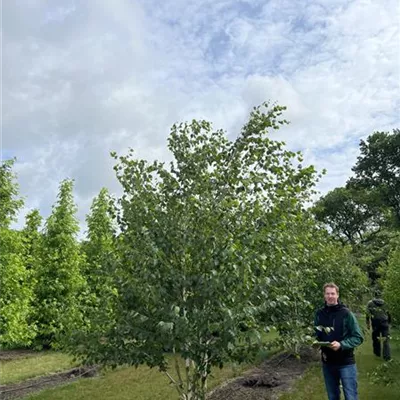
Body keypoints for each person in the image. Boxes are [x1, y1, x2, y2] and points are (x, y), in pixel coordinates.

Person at [314, 282, 364, 400]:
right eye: (327, 294)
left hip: (345, 362)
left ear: (337, 295)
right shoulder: (319, 314)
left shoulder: (346, 314)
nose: (330, 296)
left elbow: (358, 337)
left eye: (332, 293)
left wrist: (342, 344)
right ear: (324, 295)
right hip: (328, 362)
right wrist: (315, 342)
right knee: (333, 396)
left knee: (350, 396)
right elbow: (316, 334)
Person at [366, 289, 391, 361]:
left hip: (375, 323)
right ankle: (387, 356)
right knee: (386, 340)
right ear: (380, 295)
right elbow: (389, 314)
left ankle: (377, 353)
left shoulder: (370, 303)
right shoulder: (385, 303)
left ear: (374, 295)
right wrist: (389, 322)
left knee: (375, 339)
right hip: (385, 322)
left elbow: (367, 314)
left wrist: (368, 323)